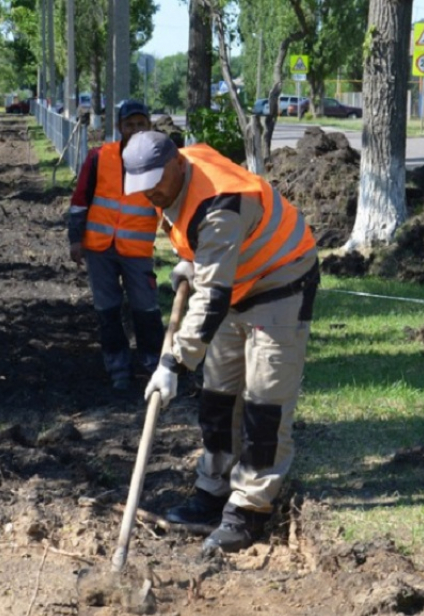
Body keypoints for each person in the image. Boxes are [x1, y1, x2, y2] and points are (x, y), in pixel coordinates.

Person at [121, 130, 319, 553]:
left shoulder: (220, 207)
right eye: (142, 185)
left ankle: (248, 511)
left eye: (157, 181)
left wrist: (173, 363)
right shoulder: (179, 171)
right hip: (237, 279)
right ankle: (213, 493)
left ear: (177, 163)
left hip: (281, 281)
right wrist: (193, 259)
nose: (152, 192)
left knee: (264, 404)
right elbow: (202, 243)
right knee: (217, 397)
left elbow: (211, 298)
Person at [67, 100, 165, 391]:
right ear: (120, 128)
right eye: (130, 124)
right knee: (107, 311)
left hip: (137, 251)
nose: (136, 130)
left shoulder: (159, 162)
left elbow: (169, 207)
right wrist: (75, 239)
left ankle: (151, 365)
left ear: (149, 126)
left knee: (145, 310)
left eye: (141, 124)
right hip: (99, 249)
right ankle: (118, 368)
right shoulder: (100, 157)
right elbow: (80, 200)